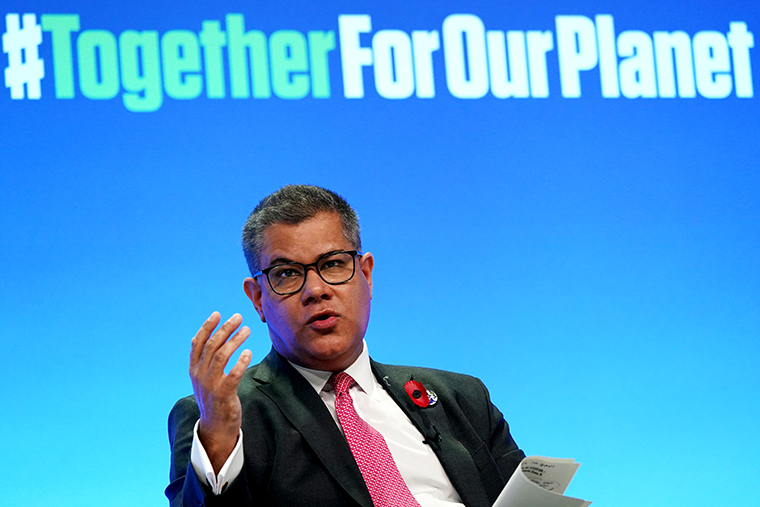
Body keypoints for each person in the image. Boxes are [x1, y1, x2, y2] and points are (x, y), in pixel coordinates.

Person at [166, 185, 525, 507]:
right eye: (287, 273)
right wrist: (219, 441)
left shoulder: (462, 398)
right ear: (258, 298)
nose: (316, 290)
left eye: (333, 264)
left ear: (365, 275)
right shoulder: (220, 417)